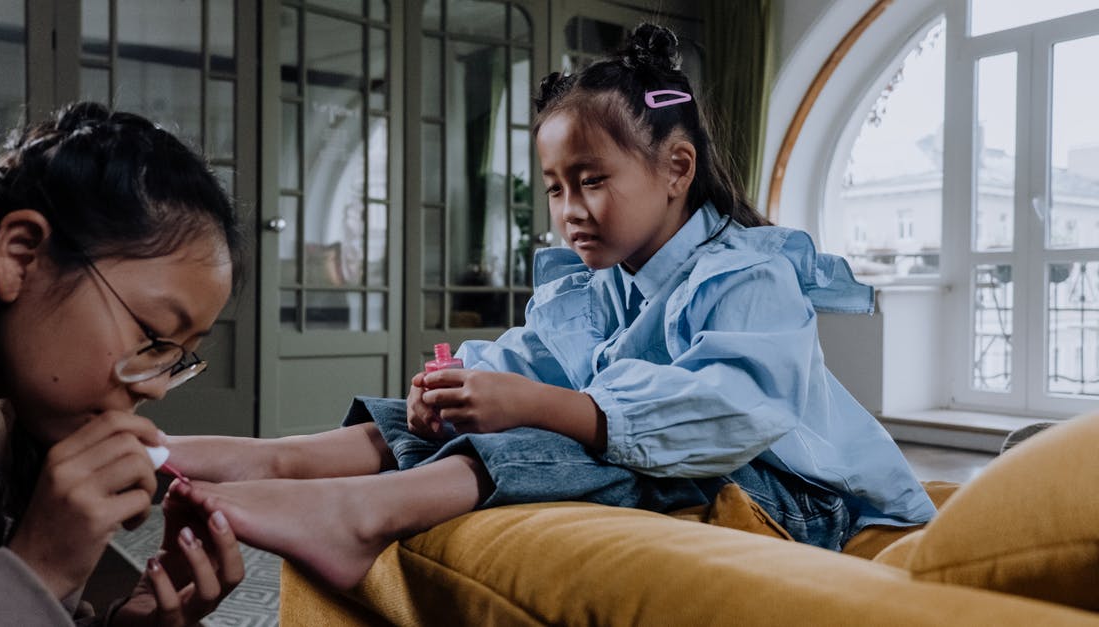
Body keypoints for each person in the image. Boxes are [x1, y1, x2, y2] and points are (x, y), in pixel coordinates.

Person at [169, 23, 937, 591]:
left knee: (597, 437)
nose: (569, 209)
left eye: (593, 180)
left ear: (676, 168)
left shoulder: (748, 275)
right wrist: (456, 389)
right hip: (726, 464)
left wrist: (543, 403)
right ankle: (273, 456)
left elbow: (727, 414)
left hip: (806, 501)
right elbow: (529, 357)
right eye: (555, 187)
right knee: (506, 407)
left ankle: (360, 513)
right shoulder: (596, 285)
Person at [0, 102, 247, 625]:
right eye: (153, 336)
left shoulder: (1, 418)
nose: (156, 390)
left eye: (177, 357)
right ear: (21, 255)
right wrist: (43, 567)